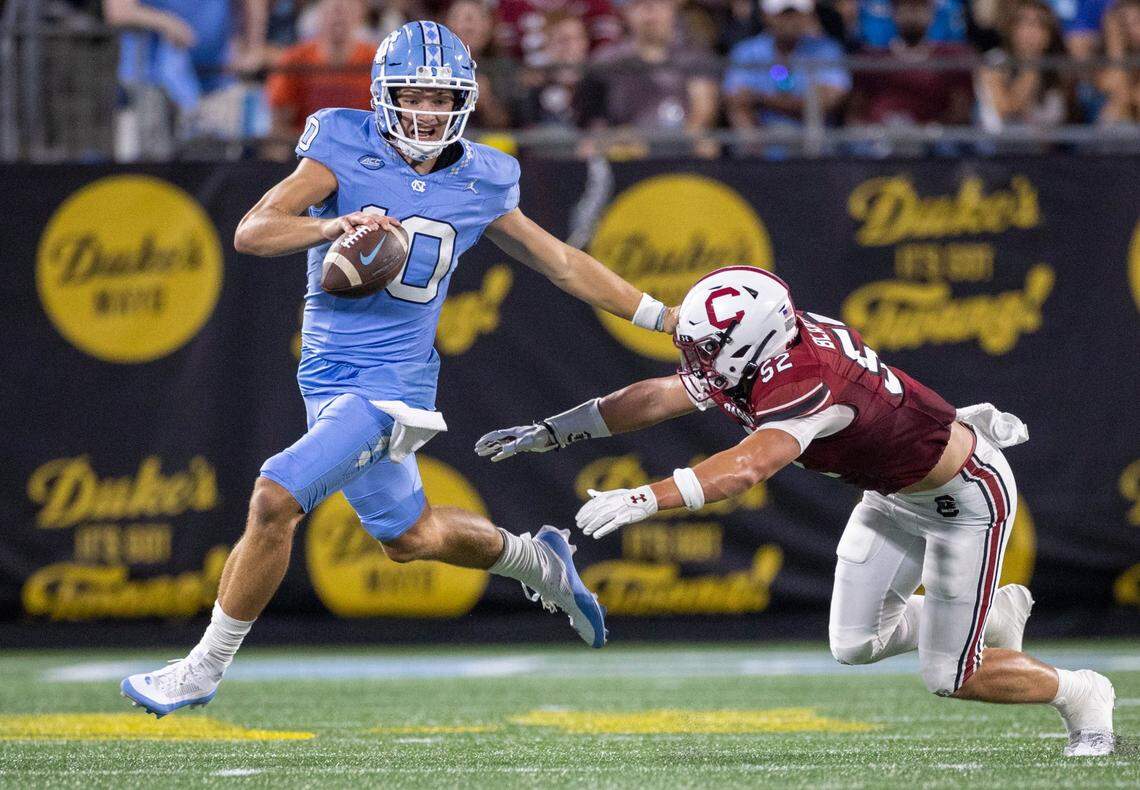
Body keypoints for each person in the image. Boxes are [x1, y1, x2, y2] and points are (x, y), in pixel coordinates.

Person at [120, 20, 678, 718]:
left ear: (464, 103)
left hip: (393, 391)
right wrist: (331, 227)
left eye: (442, 98)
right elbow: (253, 230)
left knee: (273, 499)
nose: (426, 111)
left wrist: (664, 317)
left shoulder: (484, 176)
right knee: (410, 539)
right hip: (325, 378)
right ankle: (539, 560)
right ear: (384, 95)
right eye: (412, 94)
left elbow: (563, 263)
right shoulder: (340, 145)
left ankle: (201, 670)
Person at [477, 265, 1117, 758]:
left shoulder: (804, 379)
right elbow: (657, 396)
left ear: (750, 342)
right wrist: (554, 431)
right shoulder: (760, 345)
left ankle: (1084, 694)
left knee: (953, 676)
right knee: (854, 643)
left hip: (961, 501)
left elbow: (748, 467)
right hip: (892, 490)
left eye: (705, 347)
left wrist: (647, 496)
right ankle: (990, 613)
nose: (694, 358)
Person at [577, 0, 719, 156]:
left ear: (672, 9)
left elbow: (703, 111)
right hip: (625, 143)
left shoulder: (694, 57)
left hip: (682, 139)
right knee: (589, 148)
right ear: (627, 12)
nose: (651, 11)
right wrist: (617, 137)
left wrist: (680, 140)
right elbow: (596, 119)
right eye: (641, 4)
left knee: (707, 145)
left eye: (659, 4)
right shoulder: (607, 61)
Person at [724, 0, 851, 133]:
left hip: (813, 143)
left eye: (796, 13)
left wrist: (761, 99)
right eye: (783, 14)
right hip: (762, 144)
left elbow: (826, 102)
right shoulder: (746, 51)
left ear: (809, 15)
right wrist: (753, 145)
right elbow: (737, 101)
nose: (790, 20)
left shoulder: (827, 49)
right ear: (765, 15)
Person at [846, 0, 974, 128]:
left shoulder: (950, 57)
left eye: (919, 8)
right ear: (894, 13)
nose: (912, 16)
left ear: (932, 14)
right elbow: (855, 113)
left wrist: (931, 129)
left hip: (934, 139)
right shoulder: (872, 58)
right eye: (906, 8)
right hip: (878, 138)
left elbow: (961, 111)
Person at [265, 0, 374, 147]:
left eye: (347, 7)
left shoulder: (377, 60)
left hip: (363, 155)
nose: (339, 14)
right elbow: (279, 126)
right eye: (333, 8)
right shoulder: (295, 60)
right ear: (319, 14)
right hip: (305, 155)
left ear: (360, 14)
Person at [977, 0, 1071, 132]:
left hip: (1046, 149)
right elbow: (1008, 111)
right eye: (1026, 24)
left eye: (1041, 26)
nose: (1033, 32)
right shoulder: (995, 61)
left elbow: (1061, 123)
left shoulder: (1056, 68)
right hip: (1000, 146)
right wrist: (1031, 65)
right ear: (1012, 28)